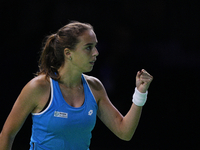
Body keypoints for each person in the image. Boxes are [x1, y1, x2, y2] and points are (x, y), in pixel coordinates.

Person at [0, 21, 153, 150]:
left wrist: (140, 93)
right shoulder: (39, 87)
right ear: (68, 53)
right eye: (88, 47)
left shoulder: (95, 87)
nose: (96, 52)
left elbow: (124, 132)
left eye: (95, 46)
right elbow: (7, 134)